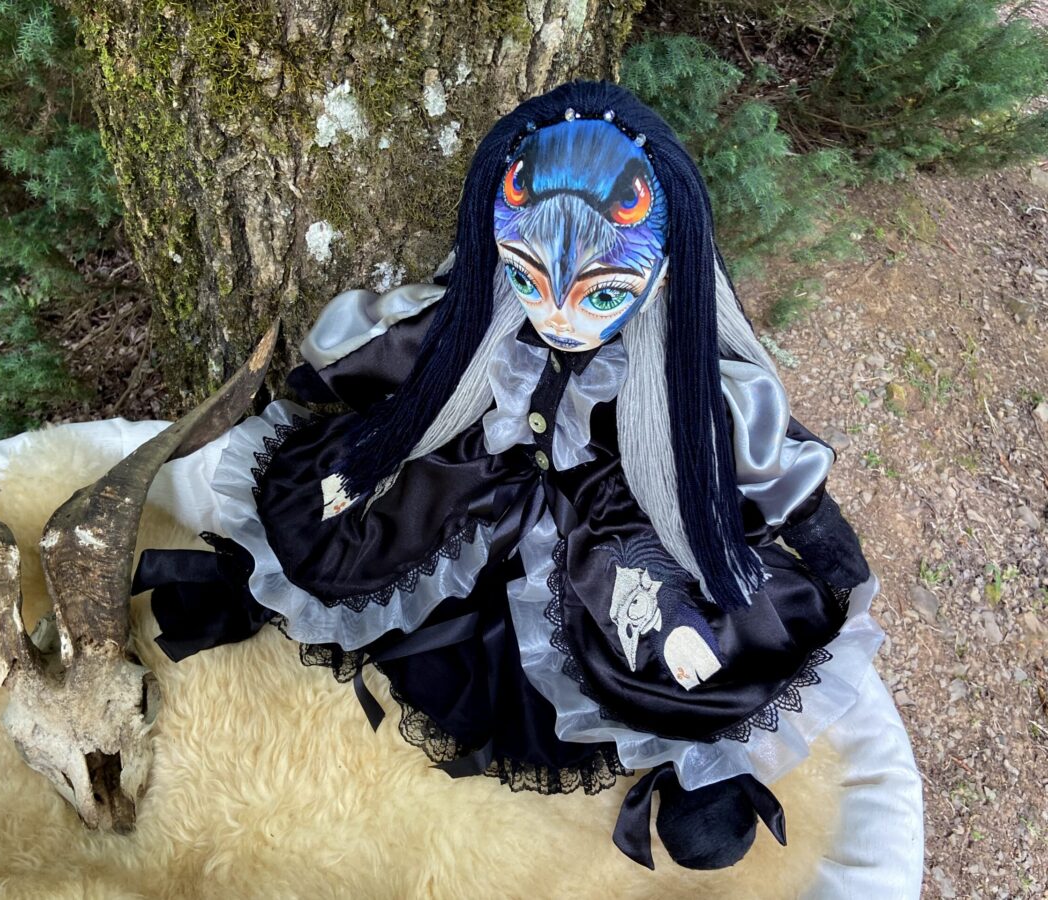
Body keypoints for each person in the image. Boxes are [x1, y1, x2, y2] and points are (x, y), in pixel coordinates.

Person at [134, 79, 883, 871]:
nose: (556, 316)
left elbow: (768, 459)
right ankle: (259, 582)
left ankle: (699, 764)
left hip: (615, 525)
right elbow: (406, 350)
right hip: (473, 474)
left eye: (600, 294)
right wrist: (346, 406)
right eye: (528, 279)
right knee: (356, 515)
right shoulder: (489, 323)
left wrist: (829, 547)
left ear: (663, 276)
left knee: (675, 640)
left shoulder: (686, 380)